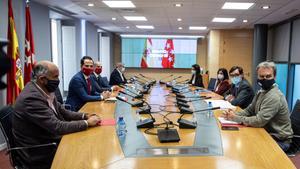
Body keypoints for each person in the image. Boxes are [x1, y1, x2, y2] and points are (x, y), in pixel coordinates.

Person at [12, 61, 101, 169]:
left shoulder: (44, 89)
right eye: (55, 77)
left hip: (49, 137)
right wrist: (87, 123)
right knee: (85, 154)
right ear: (42, 79)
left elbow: (62, 110)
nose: (58, 80)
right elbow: (57, 127)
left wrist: (84, 116)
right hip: (40, 149)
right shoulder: (31, 98)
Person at [223, 61, 293, 151]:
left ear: (274, 77)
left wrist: (235, 118)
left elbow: (259, 121)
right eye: (261, 76)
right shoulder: (261, 91)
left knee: (247, 149)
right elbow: (249, 110)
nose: (265, 79)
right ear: (257, 76)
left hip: (279, 140)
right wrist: (234, 114)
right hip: (266, 133)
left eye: (268, 76)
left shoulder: (274, 96)